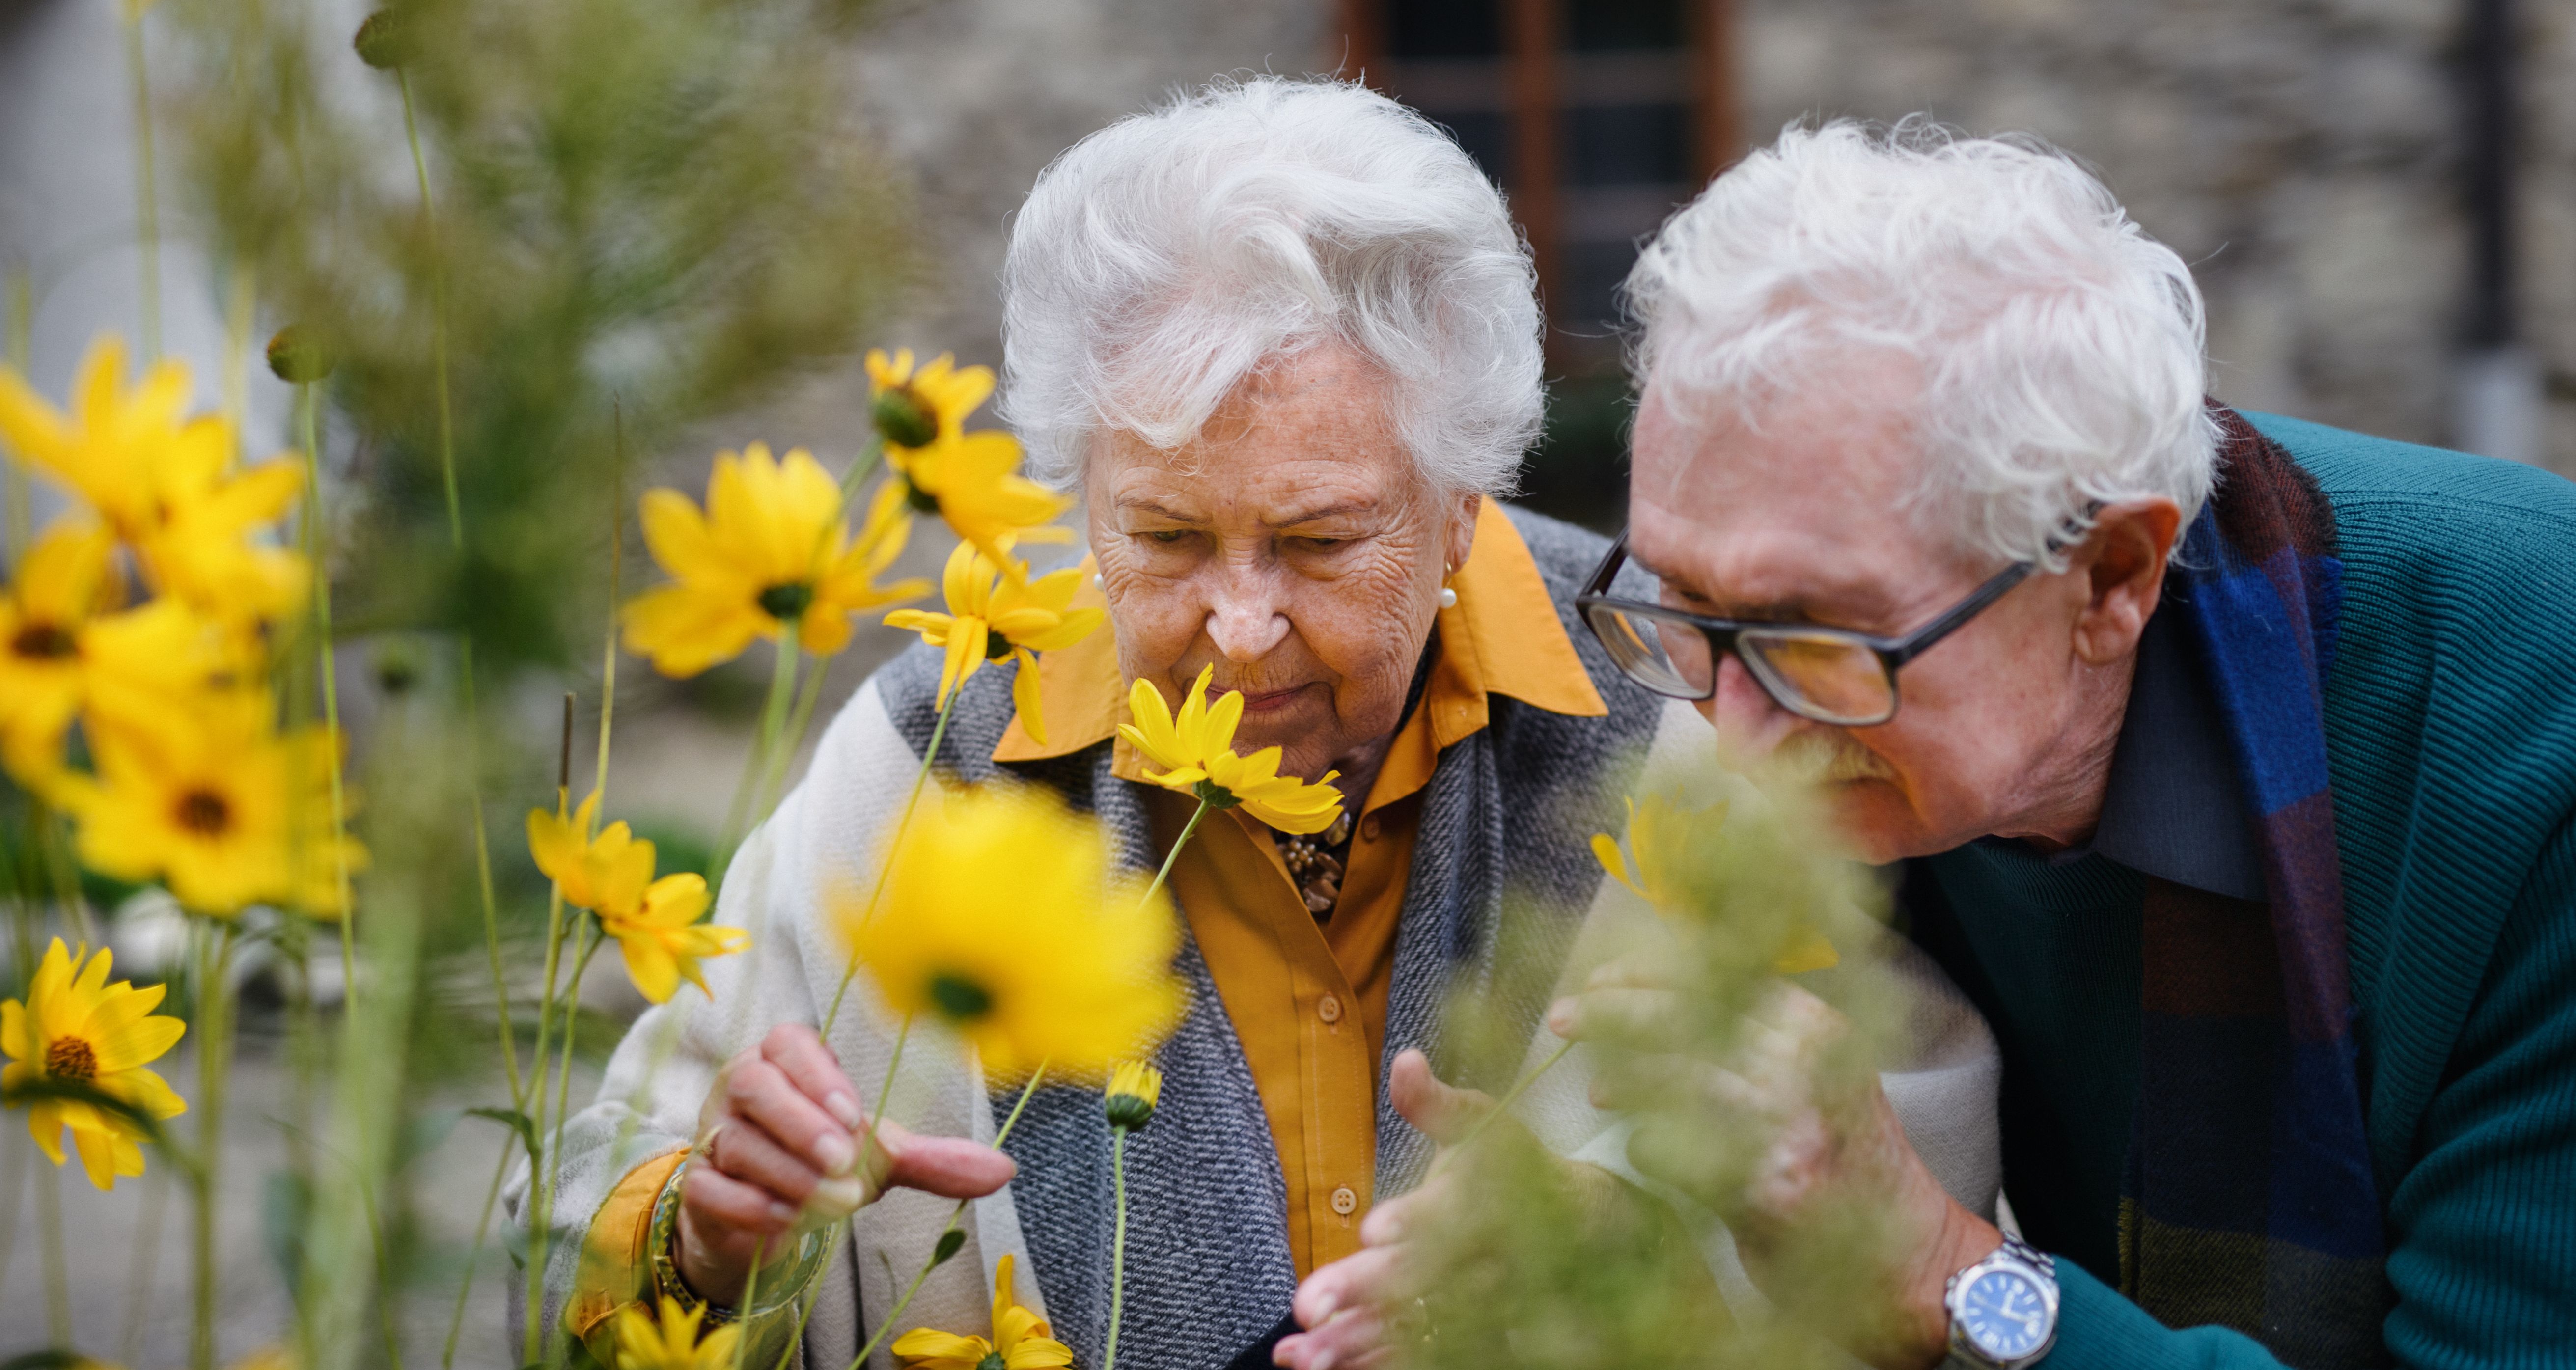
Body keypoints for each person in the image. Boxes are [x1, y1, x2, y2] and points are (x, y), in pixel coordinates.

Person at [526, 78, 1957, 1370]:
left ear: (1461, 502)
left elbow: (1904, 1249)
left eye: (1319, 542)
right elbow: (597, 1223)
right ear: (1077, 500)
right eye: (1158, 537)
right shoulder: (930, 761)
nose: (1236, 626)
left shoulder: (1693, 726)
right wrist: (701, 1237)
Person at [1430, 120, 2576, 1370]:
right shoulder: (1832, 744)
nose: (1741, 749)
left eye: (1823, 640)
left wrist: (1937, 1271)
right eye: (1682, 607)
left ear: (2109, 580)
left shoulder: (2523, 718)